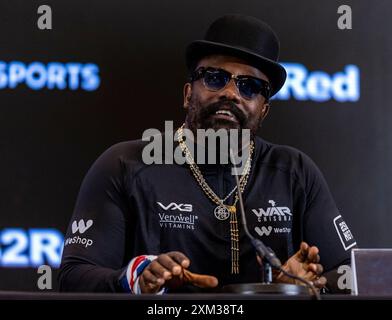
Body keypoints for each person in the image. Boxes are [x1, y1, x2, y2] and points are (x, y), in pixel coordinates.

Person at [59, 15, 356, 294]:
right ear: (188, 93)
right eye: (215, 78)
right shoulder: (126, 164)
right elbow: (74, 276)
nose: (230, 92)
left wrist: (293, 286)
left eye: (249, 86)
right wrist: (136, 276)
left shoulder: (294, 172)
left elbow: (351, 273)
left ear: (263, 110)